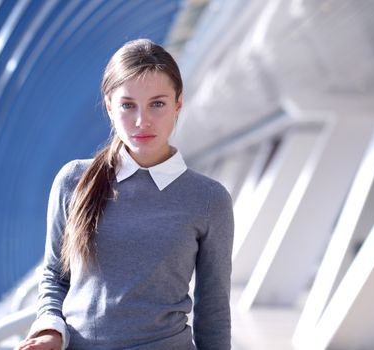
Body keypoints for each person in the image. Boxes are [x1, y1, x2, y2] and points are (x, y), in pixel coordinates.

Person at [16, 38, 234, 350]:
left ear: (178, 104)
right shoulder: (73, 180)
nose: (142, 121)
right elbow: (54, 276)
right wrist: (50, 330)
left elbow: (213, 310)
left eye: (157, 104)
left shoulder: (209, 198)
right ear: (109, 106)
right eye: (127, 105)